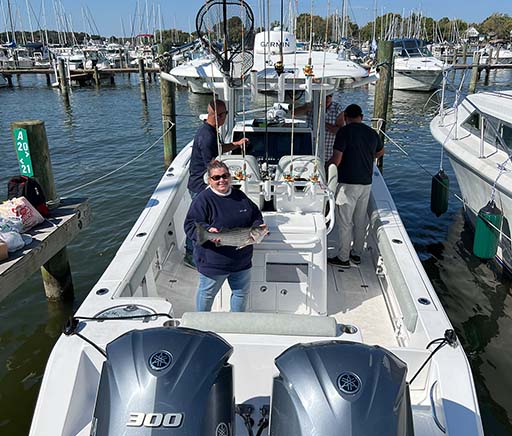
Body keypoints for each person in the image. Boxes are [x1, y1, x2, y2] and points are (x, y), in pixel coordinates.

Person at [184, 160, 265, 312]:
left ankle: (236, 323)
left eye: (225, 176)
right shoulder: (202, 200)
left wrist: (258, 225)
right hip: (214, 262)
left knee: (240, 293)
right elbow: (189, 226)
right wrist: (208, 230)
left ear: (230, 177)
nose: (222, 180)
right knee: (207, 294)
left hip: (242, 261)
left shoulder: (240, 196)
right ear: (210, 180)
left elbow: (256, 215)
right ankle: (201, 323)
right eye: (216, 177)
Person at [185, 99, 250, 265]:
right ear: (219, 115)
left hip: (201, 182)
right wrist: (231, 176)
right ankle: (192, 257)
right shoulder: (207, 136)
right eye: (226, 113)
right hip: (201, 185)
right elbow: (213, 167)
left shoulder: (211, 130)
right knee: (198, 222)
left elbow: (219, 148)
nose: (226, 117)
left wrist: (236, 144)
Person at [326, 103, 384, 268]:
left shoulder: (344, 132)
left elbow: (336, 160)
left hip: (348, 184)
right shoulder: (372, 133)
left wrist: (324, 168)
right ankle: (356, 254)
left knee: (345, 222)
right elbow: (381, 152)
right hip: (366, 183)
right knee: (360, 220)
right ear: (362, 117)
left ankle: (343, 258)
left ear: (345, 118)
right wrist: (366, 155)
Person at [295, 91, 345, 161]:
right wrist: (306, 107)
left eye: (330, 96)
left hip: (329, 153)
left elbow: (340, 132)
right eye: (325, 96)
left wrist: (322, 124)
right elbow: (294, 113)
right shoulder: (312, 106)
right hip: (310, 151)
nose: (327, 98)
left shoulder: (337, 108)